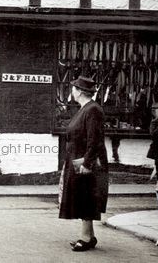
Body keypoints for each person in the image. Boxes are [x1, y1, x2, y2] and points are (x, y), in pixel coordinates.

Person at [59, 76, 109, 252]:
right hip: (79, 160)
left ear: (80, 91)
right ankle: (89, 235)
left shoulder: (93, 110)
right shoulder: (85, 109)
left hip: (86, 163)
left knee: (86, 197)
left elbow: (94, 140)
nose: (71, 91)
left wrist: (87, 163)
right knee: (82, 196)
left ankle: (86, 238)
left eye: (73, 88)